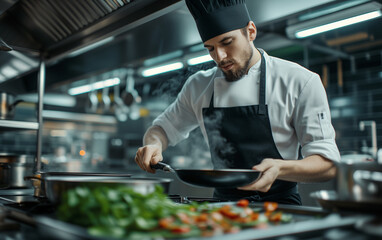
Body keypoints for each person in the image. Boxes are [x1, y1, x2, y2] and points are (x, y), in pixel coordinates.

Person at [135, 0, 340, 205]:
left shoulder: (299, 81)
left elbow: (328, 165)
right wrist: (153, 145)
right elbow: (161, 129)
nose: (220, 57)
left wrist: (281, 168)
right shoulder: (198, 86)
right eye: (210, 49)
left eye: (227, 42)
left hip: (280, 208)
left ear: (251, 32)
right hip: (222, 208)